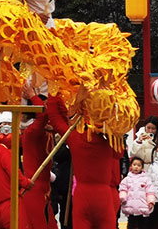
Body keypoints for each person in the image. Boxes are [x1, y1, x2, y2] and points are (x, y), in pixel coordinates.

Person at [47, 94, 117, 229]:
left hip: (82, 195)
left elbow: (56, 119)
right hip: (104, 195)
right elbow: (119, 154)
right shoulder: (110, 141)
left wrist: (53, 93)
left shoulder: (75, 139)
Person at [20, 84, 57, 229]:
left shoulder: (43, 131)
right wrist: (32, 96)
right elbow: (43, 115)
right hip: (33, 188)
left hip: (44, 189)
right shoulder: (32, 131)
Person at [119, 156, 156, 229]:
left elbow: (150, 192)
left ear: (142, 168)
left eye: (139, 165)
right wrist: (122, 197)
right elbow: (123, 189)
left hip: (143, 208)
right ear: (131, 166)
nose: (136, 167)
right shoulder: (127, 179)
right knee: (131, 225)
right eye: (134, 165)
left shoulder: (146, 179)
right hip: (130, 208)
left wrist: (151, 201)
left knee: (143, 225)